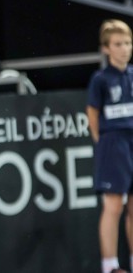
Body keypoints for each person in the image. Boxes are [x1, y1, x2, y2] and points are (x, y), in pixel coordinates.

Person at [87, 19, 133, 273]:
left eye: (127, 43)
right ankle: (110, 266)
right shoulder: (100, 79)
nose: (124, 49)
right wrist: (102, 141)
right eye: (118, 44)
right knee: (114, 205)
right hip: (113, 142)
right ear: (106, 48)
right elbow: (92, 113)